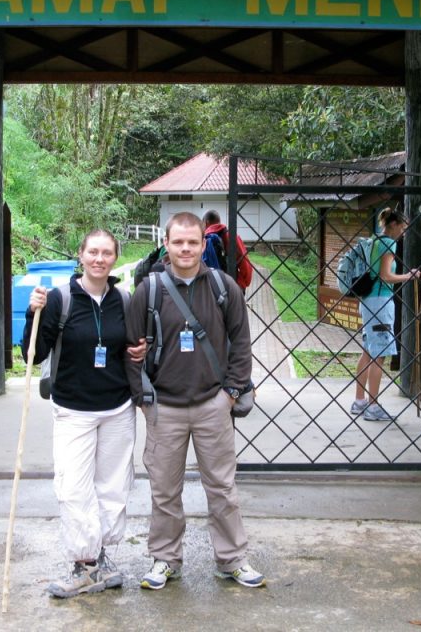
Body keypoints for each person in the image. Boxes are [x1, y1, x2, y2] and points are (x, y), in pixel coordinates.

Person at [125, 211, 265, 590]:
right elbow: (129, 349)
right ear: (166, 245)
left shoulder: (223, 287)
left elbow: (242, 344)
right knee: (164, 491)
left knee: (222, 489)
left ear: (204, 244)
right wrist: (143, 399)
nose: (185, 249)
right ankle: (165, 559)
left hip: (212, 405)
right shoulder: (148, 291)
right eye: (178, 242)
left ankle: (232, 559)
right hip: (164, 407)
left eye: (192, 242)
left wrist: (230, 393)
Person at [22, 229, 143, 599]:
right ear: (81, 254)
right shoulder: (59, 299)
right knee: (74, 488)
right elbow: (34, 353)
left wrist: (139, 351)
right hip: (73, 409)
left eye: (106, 253)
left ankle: (99, 559)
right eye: (93, 252)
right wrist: (33, 314)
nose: (99, 259)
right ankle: (83, 564)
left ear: (115, 257)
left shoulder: (124, 299)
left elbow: (133, 346)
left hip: (118, 408)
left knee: (113, 487)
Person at [351, 209, 420, 421]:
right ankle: (373, 407)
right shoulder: (389, 243)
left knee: (367, 351)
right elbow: (386, 276)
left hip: (367, 302)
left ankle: (359, 401)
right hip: (380, 303)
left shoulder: (373, 241)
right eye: (403, 228)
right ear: (394, 225)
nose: (403, 232)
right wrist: (409, 276)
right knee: (379, 355)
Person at [202, 209, 254, 290]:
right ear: (219, 221)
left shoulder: (201, 241)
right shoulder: (232, 236)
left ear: (206, 223)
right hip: (233, 286)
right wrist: (242, 283)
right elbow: (245, 264)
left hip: (211, 289)